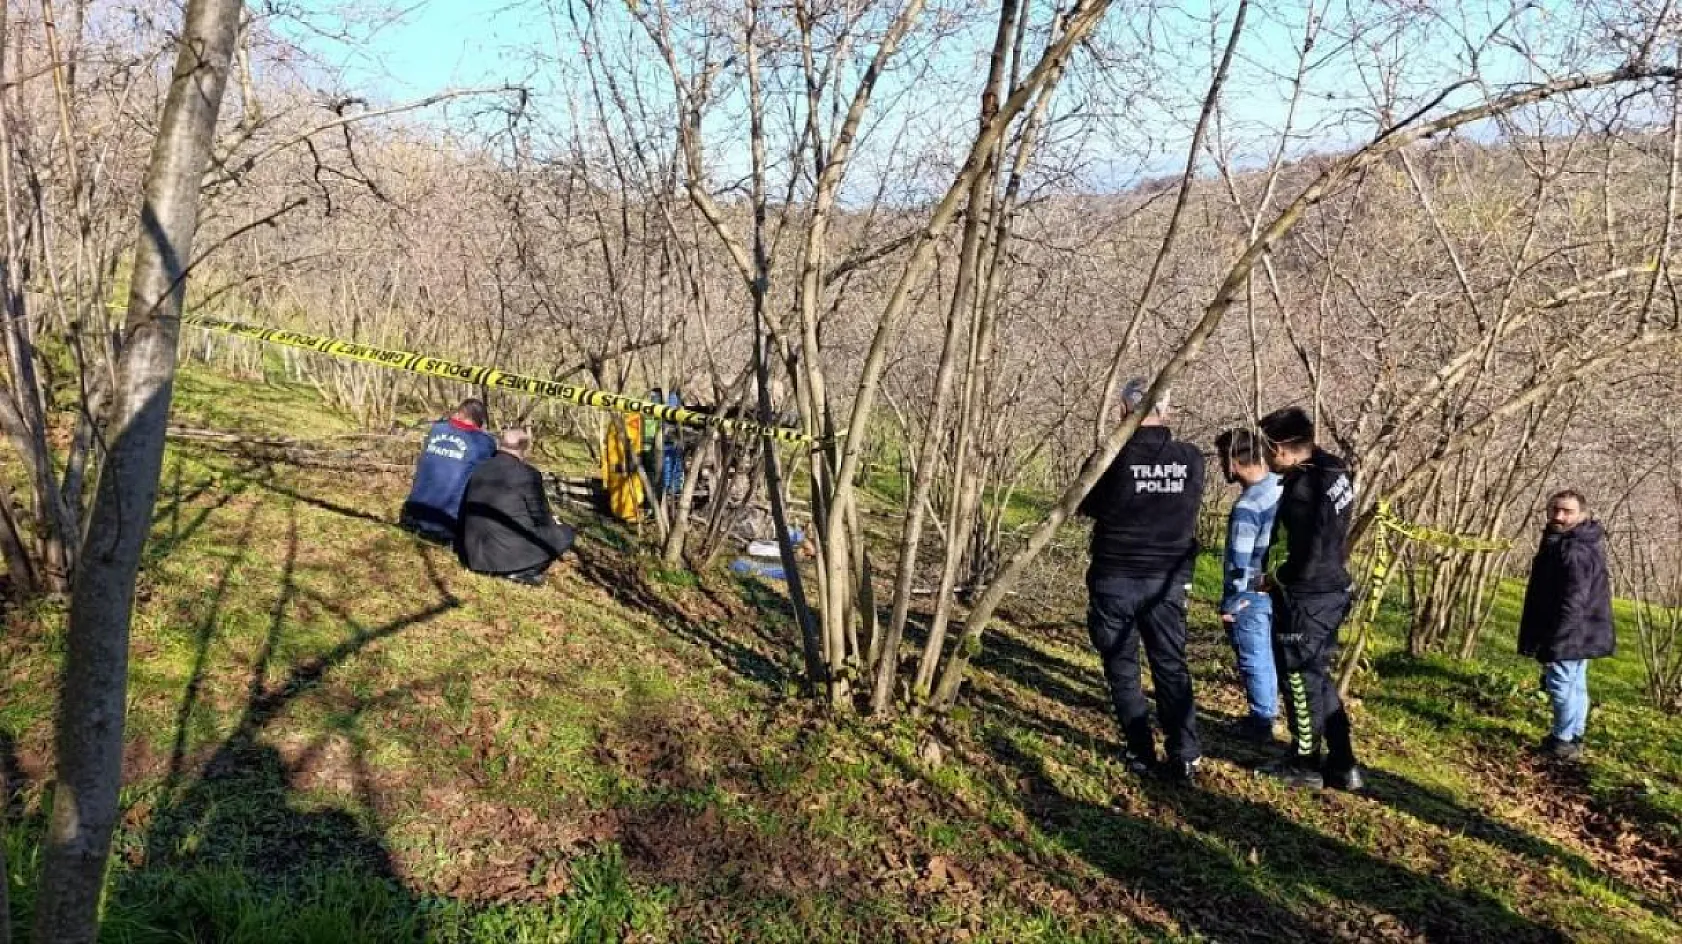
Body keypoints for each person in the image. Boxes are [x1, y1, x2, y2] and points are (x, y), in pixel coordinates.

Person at [1077, 378, 1206, 783]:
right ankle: (1185, 753)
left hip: (1115, 577)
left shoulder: (1109, 458)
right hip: (1166, 582)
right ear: (1165, 411)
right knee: (1170, 665)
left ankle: (1140, 752)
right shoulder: (1191, 458)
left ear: (1122, 409)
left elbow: (1086, 503)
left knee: (1122, 669)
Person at [1257, 406, 1363, 791]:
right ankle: (1344, 763)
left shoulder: (1304, 492)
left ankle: (1304, 762)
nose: (1264, 456)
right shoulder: (1333, 468)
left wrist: (1276, 577)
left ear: (1284, 448)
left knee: (1299, 680)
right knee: (1318, 677)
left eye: (1268, 448)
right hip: (1333, 590)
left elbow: (1308, 555)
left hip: (1309, 599)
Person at [1518, 489, 1615, 762]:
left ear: (1582, 514)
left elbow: (1574, 601)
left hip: (1571, 632)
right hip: (1580, 632)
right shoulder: (1568, 540)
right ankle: (1573, 735)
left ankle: (1562, 742)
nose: (1559, 516)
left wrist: (1557, 642)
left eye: (1567, 511)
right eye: (1555, 509)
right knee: (1575, 684)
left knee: (1560, 685)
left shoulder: (1574, 549)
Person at [1214, 428, 1283, 744]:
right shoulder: (1281, 489)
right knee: (1270, 655)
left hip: (1253, 593)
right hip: (1280, 589)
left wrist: (1234, 601)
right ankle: (1269, 713)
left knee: (1254, 655)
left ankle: (1262, 721)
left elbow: (1241, 562)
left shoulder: (1248, 507)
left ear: (1233, 462)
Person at [457, 428, 577, 585]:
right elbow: (541, 517)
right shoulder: (527, 474)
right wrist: (555, 523)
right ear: (524, 448)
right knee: (566, 533)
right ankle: (524, 570)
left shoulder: (480, 468)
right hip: (508, 555)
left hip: (474, 555)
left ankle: (516, 566)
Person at [400, 399, 497, 543]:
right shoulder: (484, 442)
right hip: (445, 524)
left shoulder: (436, 429)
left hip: (411, 514)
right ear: (480, 422)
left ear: (459, 413)